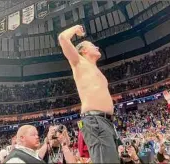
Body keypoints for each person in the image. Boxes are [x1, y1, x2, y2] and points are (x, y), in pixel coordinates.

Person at [58, 25, 120, 163]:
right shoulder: (78, 62)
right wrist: (76, 29)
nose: (97, 47)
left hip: (105, 122)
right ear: (84, 50)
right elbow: (62, 38)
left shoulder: (96, 70)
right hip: (95, 120)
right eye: (92, 45)